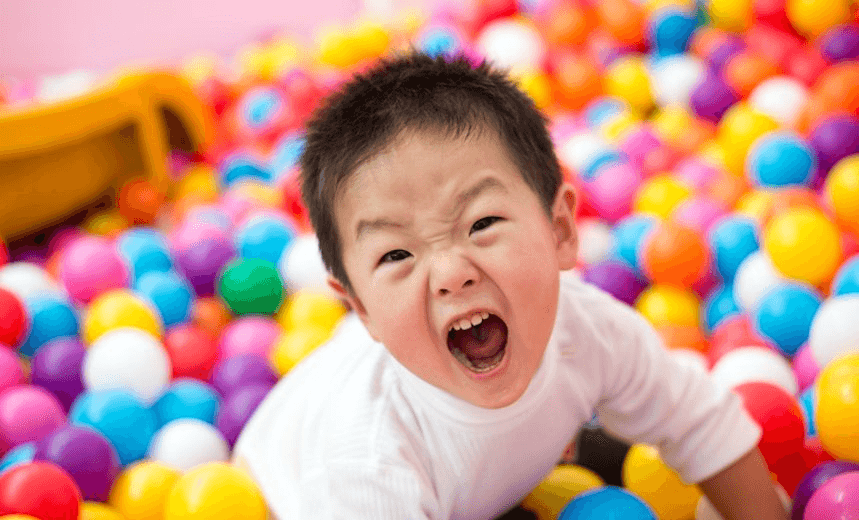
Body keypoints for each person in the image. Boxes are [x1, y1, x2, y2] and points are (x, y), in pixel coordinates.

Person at [232, 51, 789, 520]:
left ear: (561, 231)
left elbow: (705, 426)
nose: (452, 273)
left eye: (481, 224)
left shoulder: (589, 330)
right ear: (362, 311)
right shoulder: (367, 463)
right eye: (397, 254)